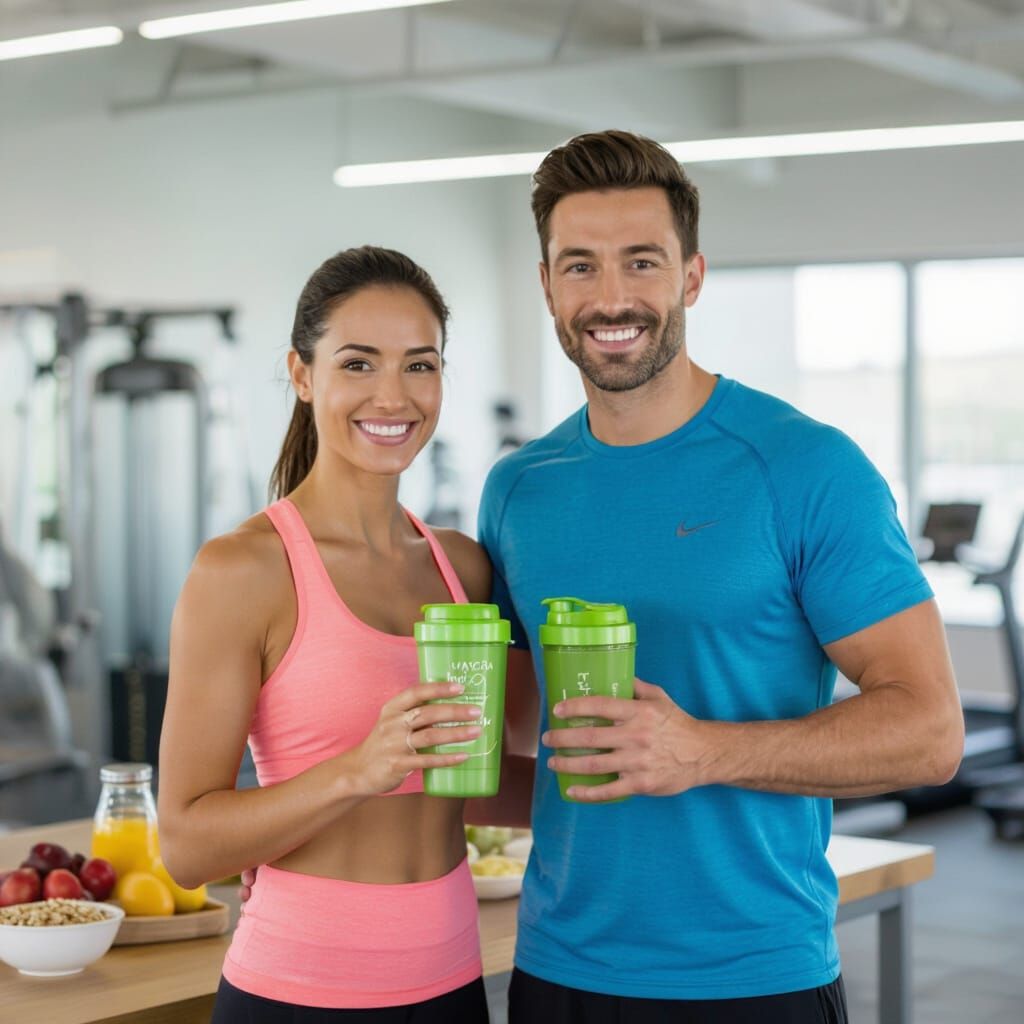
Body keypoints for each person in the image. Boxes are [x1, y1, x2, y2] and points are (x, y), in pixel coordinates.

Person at [471, 130, 965, 1023]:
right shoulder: (517, 490)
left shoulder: (804, 467)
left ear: (692, 276)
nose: (611, 297)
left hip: (752, 980)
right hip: (556, 975)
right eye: (579, 266)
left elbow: (929, 731)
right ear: (546, 284)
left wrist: (704, 751)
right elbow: (523, 749)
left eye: (641, 262)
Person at [158, 246, 492, 1022]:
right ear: (303, 376)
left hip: (453, 983)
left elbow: (462, 784)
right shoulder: (242, 571)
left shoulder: (462, 568)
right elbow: (187, 844)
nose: (393, 395)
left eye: (420, 364)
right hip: (296, 992)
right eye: (358, 363)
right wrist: (354, 771)